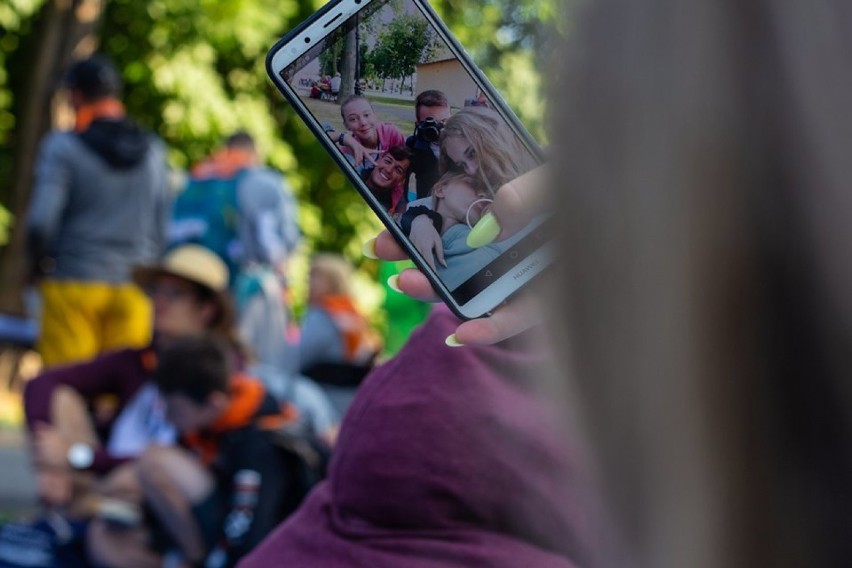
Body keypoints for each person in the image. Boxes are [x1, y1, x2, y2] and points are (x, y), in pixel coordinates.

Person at [23, 245, 245, 519]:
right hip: (107, 472)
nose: (159, 301)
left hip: (162, 484)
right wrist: (50, 456)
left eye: (174, 293)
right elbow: (43, 382)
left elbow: (183, 456)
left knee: (143, 472)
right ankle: (80, 509)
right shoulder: (139, 357)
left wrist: (76, 457)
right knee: (62, 398)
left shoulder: (221, 368)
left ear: (206, 309)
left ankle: (78, 513)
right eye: (156, 291)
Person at [88, 336, 307, 568]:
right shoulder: (209, 421)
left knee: (154, 461)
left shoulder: (260, 441)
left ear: (214, 403)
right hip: (216, 523)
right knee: (103, 538)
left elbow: (247, 529)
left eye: (175, 409)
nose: (167, 418)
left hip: (252, 545)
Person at [25, 54, 170, 368]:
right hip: (133, 290)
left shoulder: (62, 148)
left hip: (72, 284)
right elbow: (161, 229)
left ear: (75, 96)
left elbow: (40, 222)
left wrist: (37, 266)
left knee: (64, 393)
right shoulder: (155, 152)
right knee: (118, 403)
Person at [169, 131, 301, 373]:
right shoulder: (265, 183)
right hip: (249, 292)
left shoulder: (196, 178)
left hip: (196, 292)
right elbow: (278, 247)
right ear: (255, 153)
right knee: (253, 369)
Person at [400, 106, 537, 270]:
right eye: (461, 165)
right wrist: (419, 221)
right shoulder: (472, 196)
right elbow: (419, 208)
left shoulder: (541, 169)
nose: (471, 170)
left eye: (472, 153)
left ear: (492, 139)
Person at [299, 253, 382, 420]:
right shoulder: (350, 311)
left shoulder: (322, 315)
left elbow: (301, 355)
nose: (309, 283)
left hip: (323, 398)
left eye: (316, 277)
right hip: (350, 397)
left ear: (333, 281)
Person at [325, 95, 406, 170]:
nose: (363, 122)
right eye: (353, 119)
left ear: (374, 115)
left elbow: (404, 168)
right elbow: (319, 139)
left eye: (366, 115)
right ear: (346, 125)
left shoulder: (392, 134)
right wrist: (343, 137)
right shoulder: (347, 148)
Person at [405, 90, 453, 199]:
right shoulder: (414, 145)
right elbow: (402, 177)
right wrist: (403, 201)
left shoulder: (462, 145)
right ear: (418, 125)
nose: (438, 128)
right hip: (425, 203)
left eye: (444, 121)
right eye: (431, 123)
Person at [359, 144, 413, 217]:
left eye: (398, 170)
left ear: (401, 181)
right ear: (379, 159)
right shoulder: (351, 168)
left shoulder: (387, 212)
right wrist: (345, 139)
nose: (388, 170)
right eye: (387, 161)